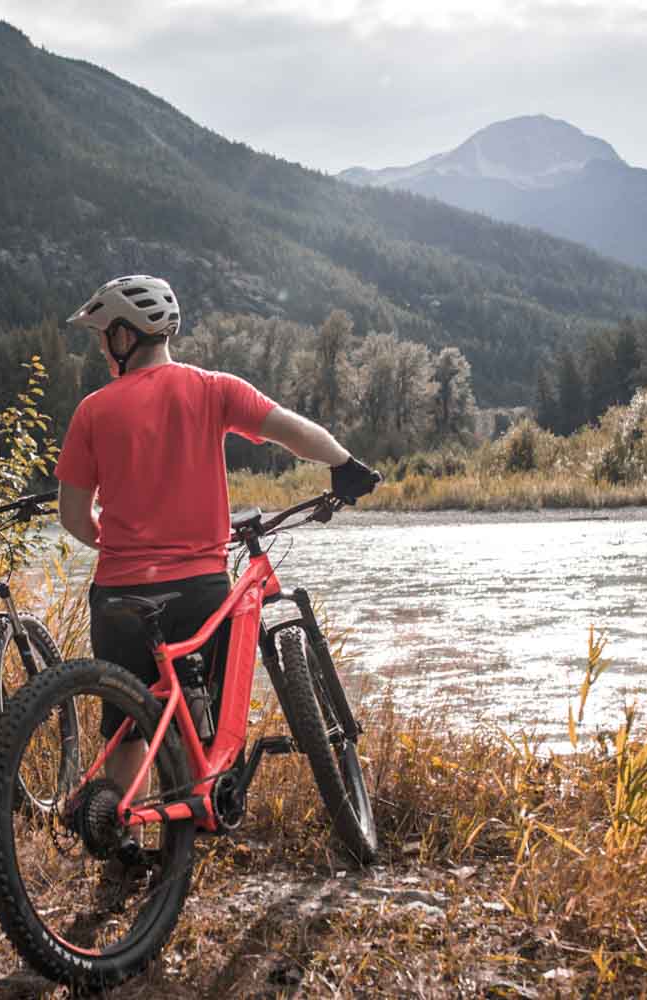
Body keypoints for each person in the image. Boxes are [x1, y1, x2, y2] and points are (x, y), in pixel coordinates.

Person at [53, 275, 380, 797]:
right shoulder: (213, 389)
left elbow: (72, 515)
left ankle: (123, 846)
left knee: (124, 731)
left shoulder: (94, 409)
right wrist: (344, 463)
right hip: (197, 591)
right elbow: (292, 430)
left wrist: (113, 543)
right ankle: (198, 803)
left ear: (123, 335)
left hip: (119, 597)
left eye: (102, 336)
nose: (99, 348)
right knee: (206, 718)